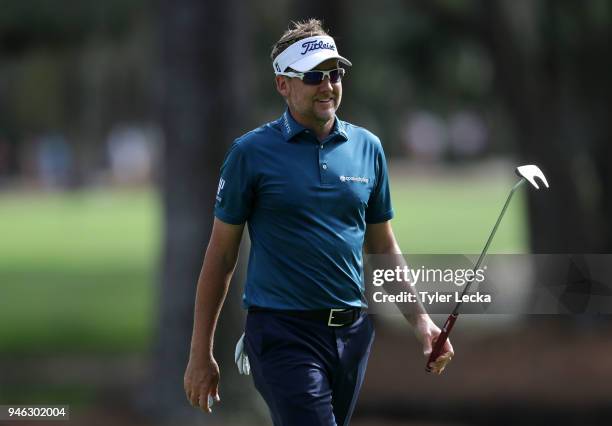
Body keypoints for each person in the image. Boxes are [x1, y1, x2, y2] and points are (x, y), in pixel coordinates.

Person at [184, 19, 453, 426]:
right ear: (283, 85)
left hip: (352, 333)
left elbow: (383, 247)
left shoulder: (368, 148)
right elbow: (221, 256)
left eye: (334, 74)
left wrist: (421, 323)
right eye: (313, 76)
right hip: (282, 333)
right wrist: (200, 353)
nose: (328, 86)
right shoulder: (251, 154)